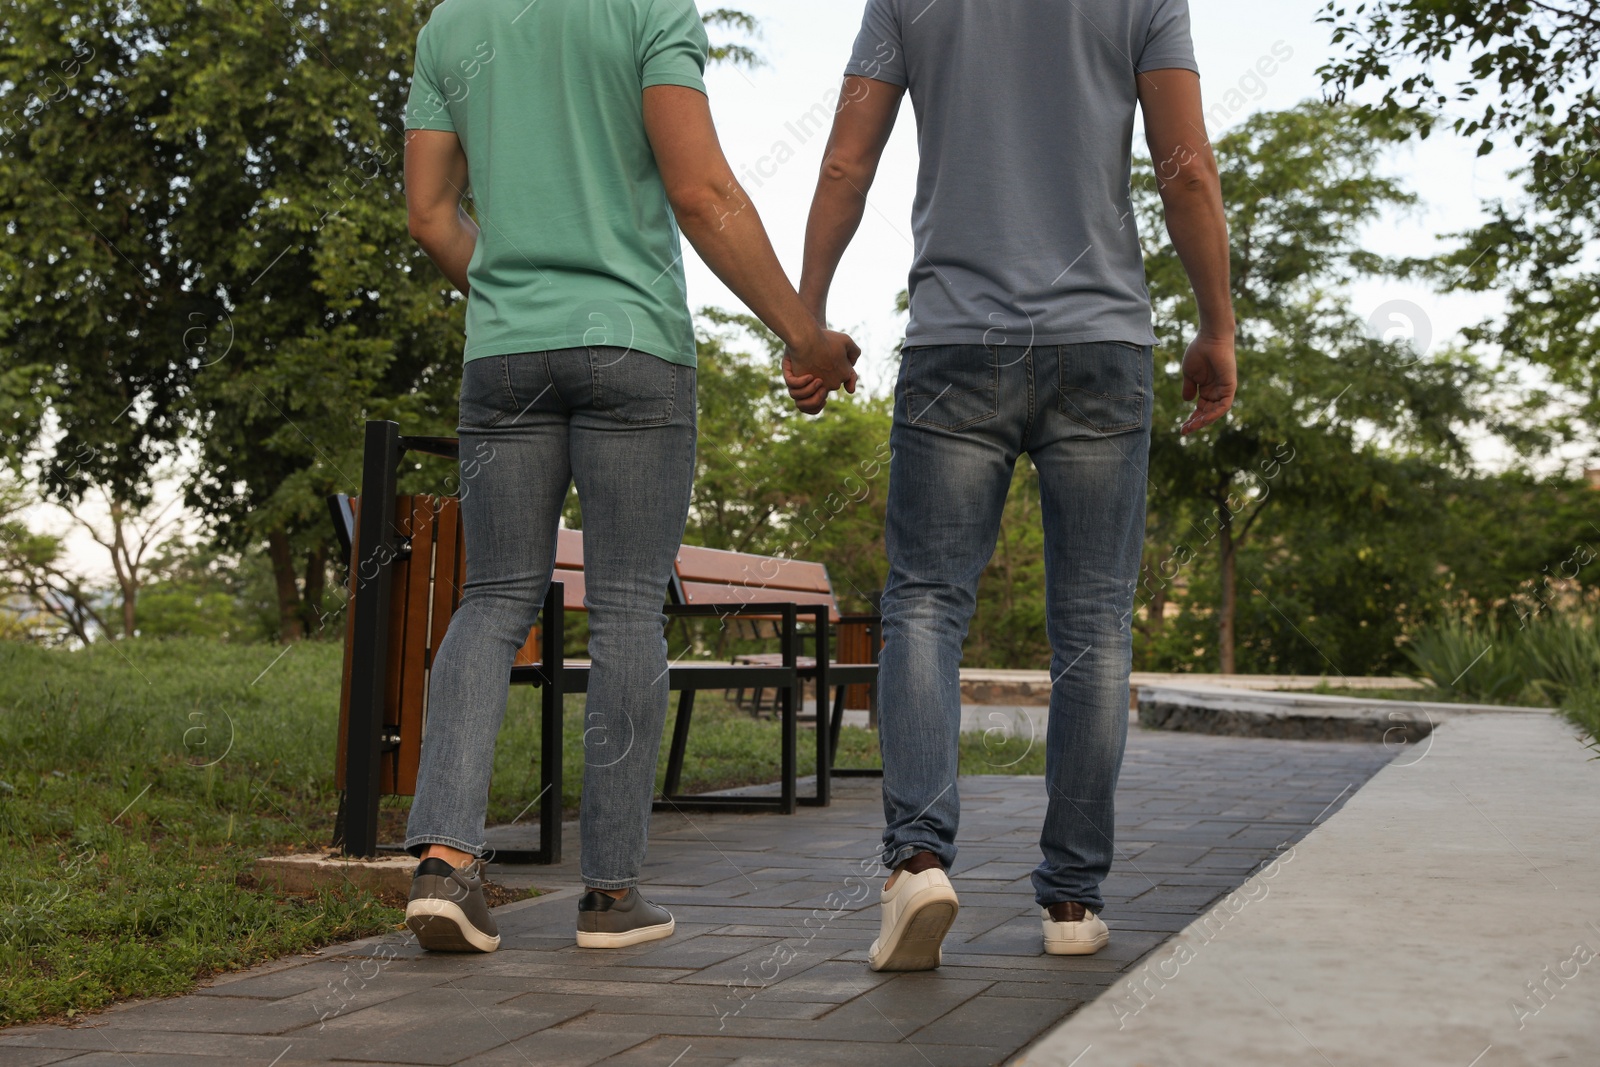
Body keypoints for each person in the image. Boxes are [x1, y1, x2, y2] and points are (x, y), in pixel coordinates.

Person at [400, 0, 859, 954]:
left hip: (504, 359)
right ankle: (610, 897)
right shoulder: (648, 7)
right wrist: (801, 331)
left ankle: (445, 863)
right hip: (633, 347)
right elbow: (702, 194)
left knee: (491, 600)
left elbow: (430, 216)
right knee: (623, 610)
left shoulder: (450, 24)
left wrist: (519, 299)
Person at [788, 0, 1237, 970]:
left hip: (958, 337)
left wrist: (808, 315)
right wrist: (1217, 324)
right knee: (1092, 622)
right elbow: (1186, 168)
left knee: (923, 602)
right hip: (1103, 341)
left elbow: (843, 163)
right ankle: (1072, 901)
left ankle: (916, 862)